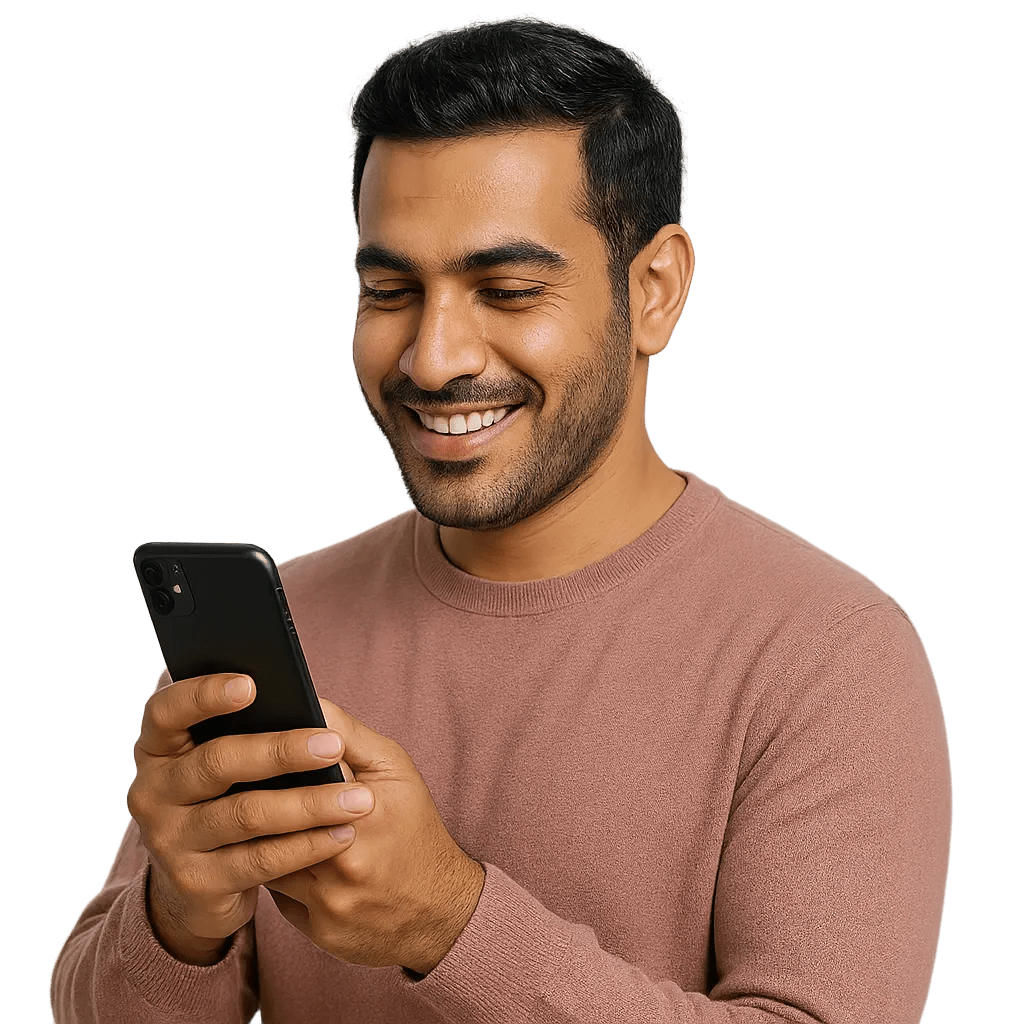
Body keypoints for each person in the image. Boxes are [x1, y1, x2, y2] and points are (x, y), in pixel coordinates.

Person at [50, 13, 952, 1024]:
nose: (433, 357)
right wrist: (182, 916)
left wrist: (451, 925)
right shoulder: (285, 627)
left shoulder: (829, 654)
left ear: (654, 290)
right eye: (390, 289)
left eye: (508, 289)